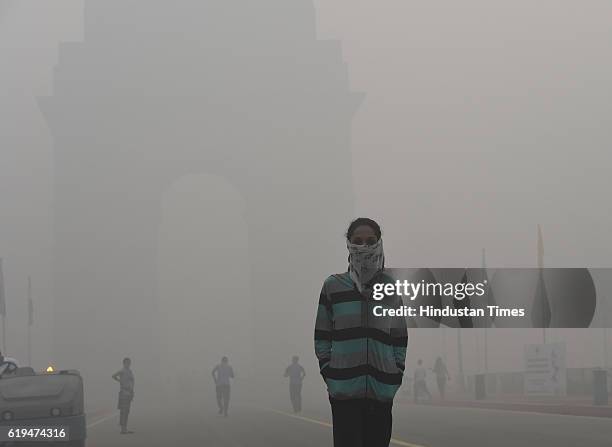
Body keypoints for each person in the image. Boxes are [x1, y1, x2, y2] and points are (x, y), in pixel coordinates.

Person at [314, 218, 408, 447]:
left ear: (379, 243)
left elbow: (400, 337)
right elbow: (322, 336)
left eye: (370, 241)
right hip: (344, 392)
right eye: (357, 241)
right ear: (348, 244)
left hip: (381, 390)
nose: (364, 246)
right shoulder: (333, 286)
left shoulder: (391, 289)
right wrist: (331, 374)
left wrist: (395, 375)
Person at [112, 357, 135, 434]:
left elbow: (132, 382)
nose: (128, 364)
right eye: (126, 362)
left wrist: (132, 392)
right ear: (124, 363)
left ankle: (125, 428)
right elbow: (113, 375)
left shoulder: (130, 371)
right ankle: (123, 429)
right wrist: (120, 381)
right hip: (124, 392)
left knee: (127, 411)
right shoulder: (122, 371)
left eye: (129, 362)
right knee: (124, 411)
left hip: (129, 393)